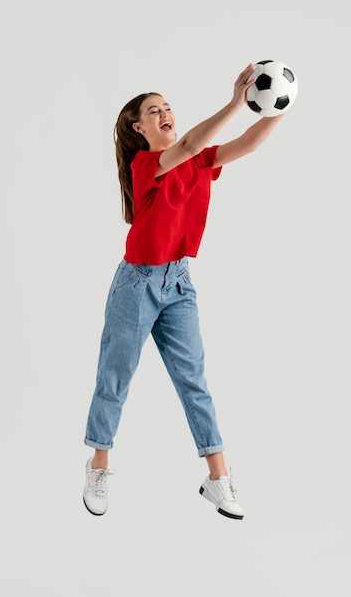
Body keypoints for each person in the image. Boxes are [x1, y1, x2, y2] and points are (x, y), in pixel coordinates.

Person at [83, 63, 284, 520]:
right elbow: (192, 141)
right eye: (154, 111)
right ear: (140, 127)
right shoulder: (145, 165)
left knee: (194, 382)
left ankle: (217, 478)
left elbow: (247, 143)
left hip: (178, 284)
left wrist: (281, 106)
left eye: (168, 107)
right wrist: (236, 103)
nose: (165, 114)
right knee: (115, 379)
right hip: (137, 284)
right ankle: (98, 465)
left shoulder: (198, 161)